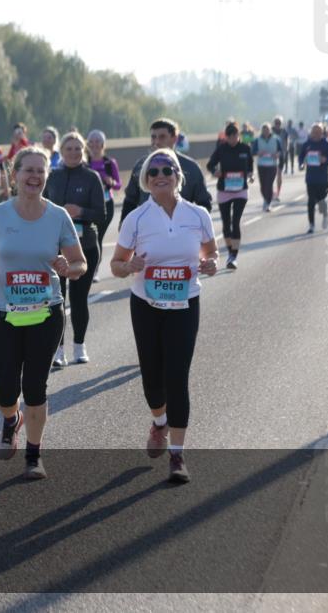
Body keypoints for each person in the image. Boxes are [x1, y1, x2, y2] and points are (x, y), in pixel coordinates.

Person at [111, 148, 219, 484]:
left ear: (177, 176)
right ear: (146, 179)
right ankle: (158, 422)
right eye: (154, 171)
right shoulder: (137, 219)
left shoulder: (198, 214)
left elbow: (210, 253)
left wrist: (210, 264)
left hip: (185, 304)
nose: (161, 175)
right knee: (152, 378)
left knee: (177, 376)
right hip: (146, 304)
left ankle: (177, 454)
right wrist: (129, 266)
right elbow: (115, 265)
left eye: (167, 170)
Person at [0, 146, 86, 479]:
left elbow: (80, 263)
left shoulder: (58, 216)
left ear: (46, 177)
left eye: (41, 171)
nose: (34, 177)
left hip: (45, 314)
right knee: (5, 390)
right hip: (5, 315)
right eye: (28, 171)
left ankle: (33, 455)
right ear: (15, 174)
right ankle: (11, 419)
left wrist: (69, 268)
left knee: (36, 386)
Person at [43, 132, 105, 367]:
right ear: (62, 150)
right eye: (69, 149)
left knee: (79, 300)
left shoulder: (91, 178)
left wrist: (80, 211)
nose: (73, 153)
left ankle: (79, 345)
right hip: (55, 247)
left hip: (85, 245)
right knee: (57, 301)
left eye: (78, 149)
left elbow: (101, 215)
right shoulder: (53, 177)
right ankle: (58, 350)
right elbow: (41, 207)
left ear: (84, 151)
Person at [120, 118, 212, 224]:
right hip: (148, 229)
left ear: (175, 138)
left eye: (162, 137)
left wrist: (196, 228)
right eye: (153, 137)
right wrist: (123, 224)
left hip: (180, 229)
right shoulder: (141, 166)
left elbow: (204, 202)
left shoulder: (191, 167)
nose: (157, 142)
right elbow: (130, 201)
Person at [206, 123, 253, 269]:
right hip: (224, 190)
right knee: (226, 225)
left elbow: (251, 165)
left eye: (235, 136)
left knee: (235, 221)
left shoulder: (245, 148)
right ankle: (230, 251)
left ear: (238, 135)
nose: (233, 139)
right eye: (230, 136)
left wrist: (250, 174)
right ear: (226, 137)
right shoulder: (221, 149)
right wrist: (215, 172)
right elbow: (210, 165)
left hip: (241, 190)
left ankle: (233, 256)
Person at [85, 129, 122, 282]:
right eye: (91, 142)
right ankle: (84, 267)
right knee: (85, 238)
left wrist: (109, 181)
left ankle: (94, 271)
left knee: (97, 237)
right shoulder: (84, 162)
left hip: (106, 204)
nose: (94, 145)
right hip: (87, 205)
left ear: (103, 144)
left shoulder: (109, 163)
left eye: (97, 142)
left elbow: (118, 185)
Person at [298, 122, 328, 234]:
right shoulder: (307, 144)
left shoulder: (327, 145)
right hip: (310, 178)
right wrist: (301, 164)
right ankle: (311, 225)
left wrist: (326, 160)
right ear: (311, 132)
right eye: (313, 131)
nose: (315, 134)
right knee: (311, 201)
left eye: (318, 131)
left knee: (321, 200)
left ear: (322, 132)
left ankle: (325, 214)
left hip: (322, 178)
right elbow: (301, 157)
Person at [252, 122, 282, 212]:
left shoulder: (276, 139)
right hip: (261, 165)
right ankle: (266, 199)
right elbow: (253, 151)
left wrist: (277, 155)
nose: (265, 132)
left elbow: (281, 151)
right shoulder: (257, 140)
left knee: (269, 184)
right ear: (262, 131)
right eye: (264, 130)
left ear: (270, 130)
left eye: (267, 130)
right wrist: (258, 153)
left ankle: (267, 202)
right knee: (263, 185)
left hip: (272, 165)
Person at [271, 117, 288, 201]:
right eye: (276, 122)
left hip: (280, 155)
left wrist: (284, 152)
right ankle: (271, 193)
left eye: (279, 123)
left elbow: (286, 142)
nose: (277, 124)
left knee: (279, 174)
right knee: (270, 175)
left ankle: (277, 193)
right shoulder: (270, 131)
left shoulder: (284, 131)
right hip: (271, 155)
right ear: (274, 123)